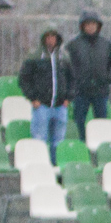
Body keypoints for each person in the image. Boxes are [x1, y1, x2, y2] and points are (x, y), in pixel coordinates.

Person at [19, 29, 74, 161]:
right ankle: (39, 169)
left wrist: (68, 98)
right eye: (48, 37)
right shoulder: (35, 56)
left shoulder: (64, 56)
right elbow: (24, 79)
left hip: (60, 106)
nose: (51, 40)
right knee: (39, 142)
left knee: (59, 143)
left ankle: (56, 173)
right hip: (41, 106)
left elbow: (72, 79)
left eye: (53, 37)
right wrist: (33, 98)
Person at [66, 9, 111, 142]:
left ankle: (100, 145)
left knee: (101, 122)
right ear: (82, 26)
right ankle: (83, 146)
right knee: (79, 121)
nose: (91, 27)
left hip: (100, 91)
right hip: (80, 91)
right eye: (88, 24)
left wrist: (109, 77)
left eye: (93, 24)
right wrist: (74, 80)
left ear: (98, 26)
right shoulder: (74, 45)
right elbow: (66, 64)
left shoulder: (105, 44)